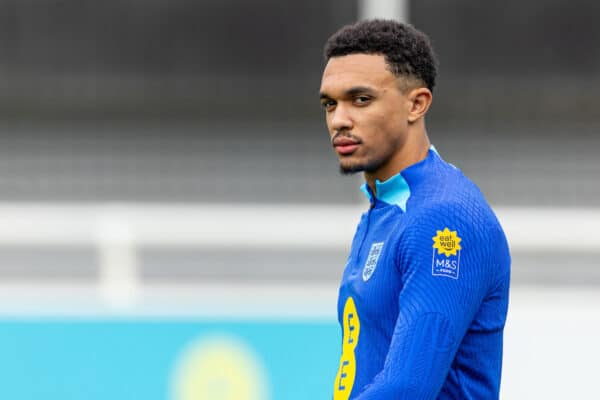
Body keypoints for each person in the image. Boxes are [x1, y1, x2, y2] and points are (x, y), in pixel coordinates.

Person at [319, 19, 510, 399]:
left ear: (416, 104)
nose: (339, 119)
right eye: (330, 103)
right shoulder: (384, 208)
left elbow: (407, 388)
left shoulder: (445, 218)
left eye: (360, 99)